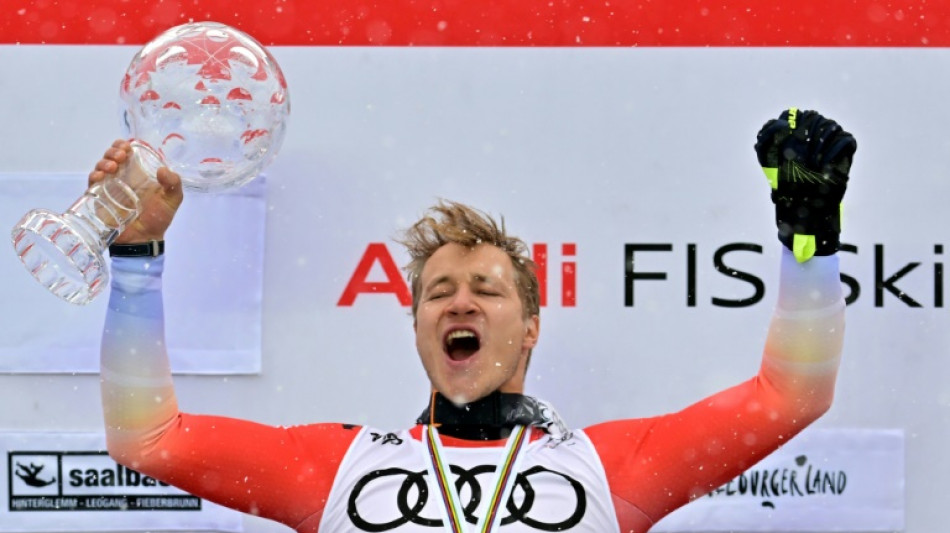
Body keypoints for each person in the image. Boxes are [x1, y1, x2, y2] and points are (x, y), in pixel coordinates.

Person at [94, 108, 856, 532]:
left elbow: (790, 395)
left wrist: (811, 242)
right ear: (418, 325)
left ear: (530, 326)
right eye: (439, 291)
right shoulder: (335, 467)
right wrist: (135, 258)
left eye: (486, 291)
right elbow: (149, 438)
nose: (460, 301)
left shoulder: (612, 466)